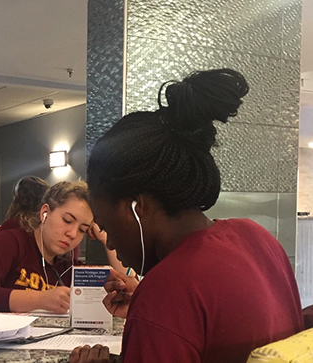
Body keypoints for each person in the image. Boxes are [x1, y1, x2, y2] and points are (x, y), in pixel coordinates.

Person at [70, 69, 303, 363]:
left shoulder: (164, 294)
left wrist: (156, 312)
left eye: (107, 226)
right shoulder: (257, 237)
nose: (112, 244)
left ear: (136, 207)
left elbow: (181, 298)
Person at [0, 181, 124, 313]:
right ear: (45, 212)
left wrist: (106, 240)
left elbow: (124, 285)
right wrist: (41, 300)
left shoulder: (67, 265)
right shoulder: (10, 242)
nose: (73, 234)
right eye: (67, 220)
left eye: (82, 229)